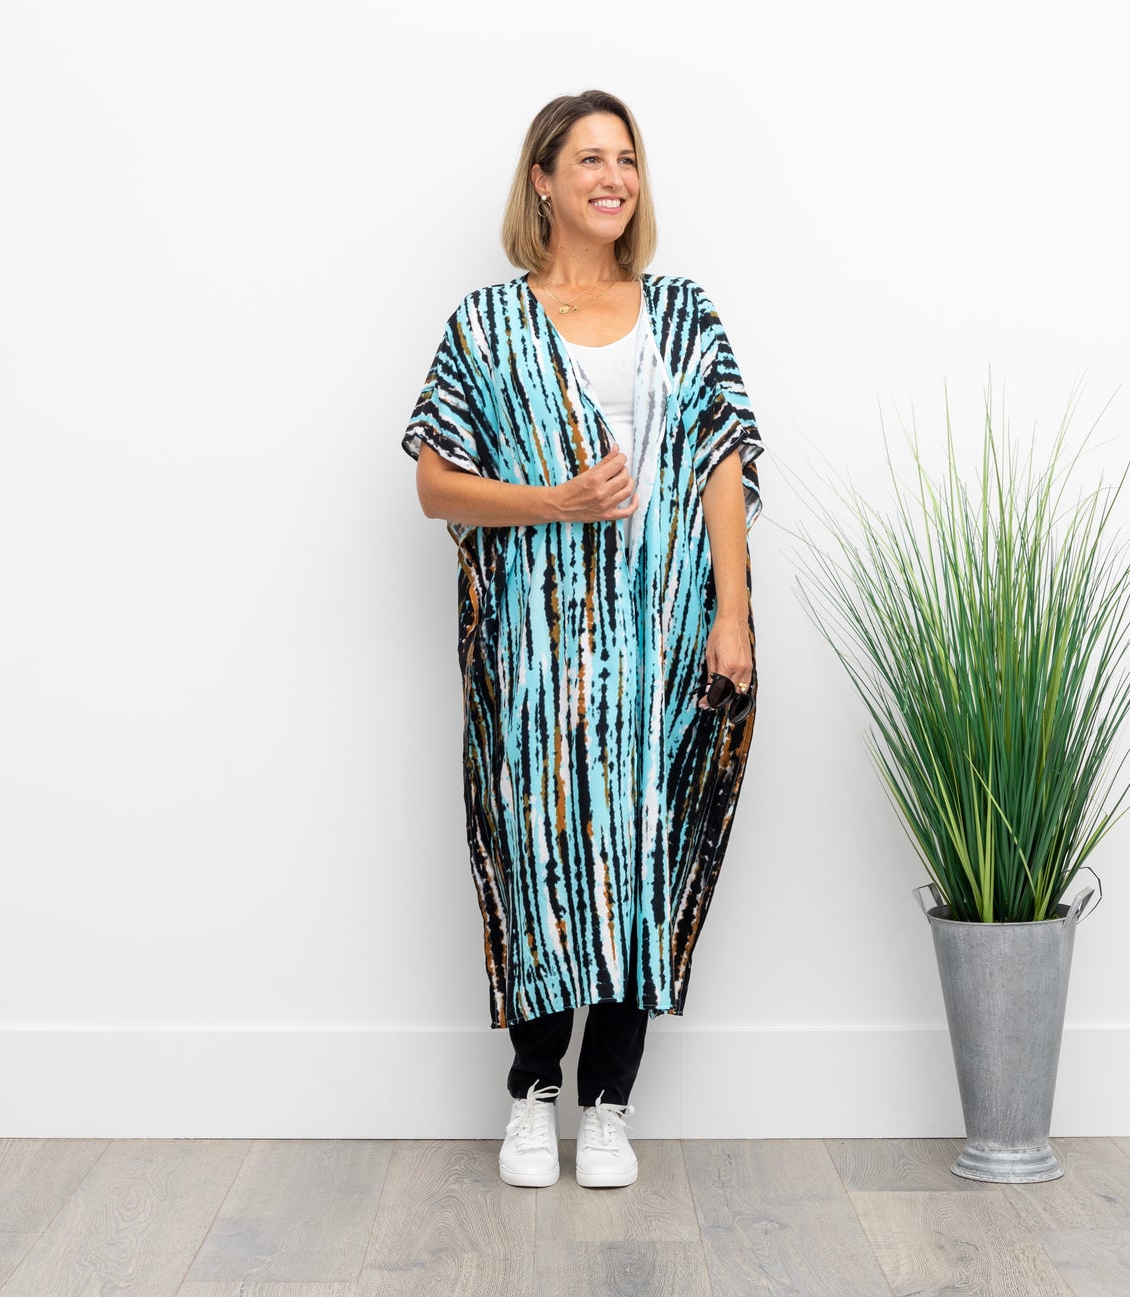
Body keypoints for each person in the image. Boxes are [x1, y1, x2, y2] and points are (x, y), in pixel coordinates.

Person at [400, 90, 765, 1190]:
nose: (613, 177)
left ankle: (608, 1101)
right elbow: (431, 484)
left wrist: (731, 616)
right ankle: (530, 1094)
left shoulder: (683, 312)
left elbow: (721, 465)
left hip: (662, 646)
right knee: (540, 852)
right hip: (536, 650)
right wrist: (553, 501)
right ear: (543, 182)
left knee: (641, 857)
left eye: (628, 160)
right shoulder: (486, 324)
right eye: (589, 159)